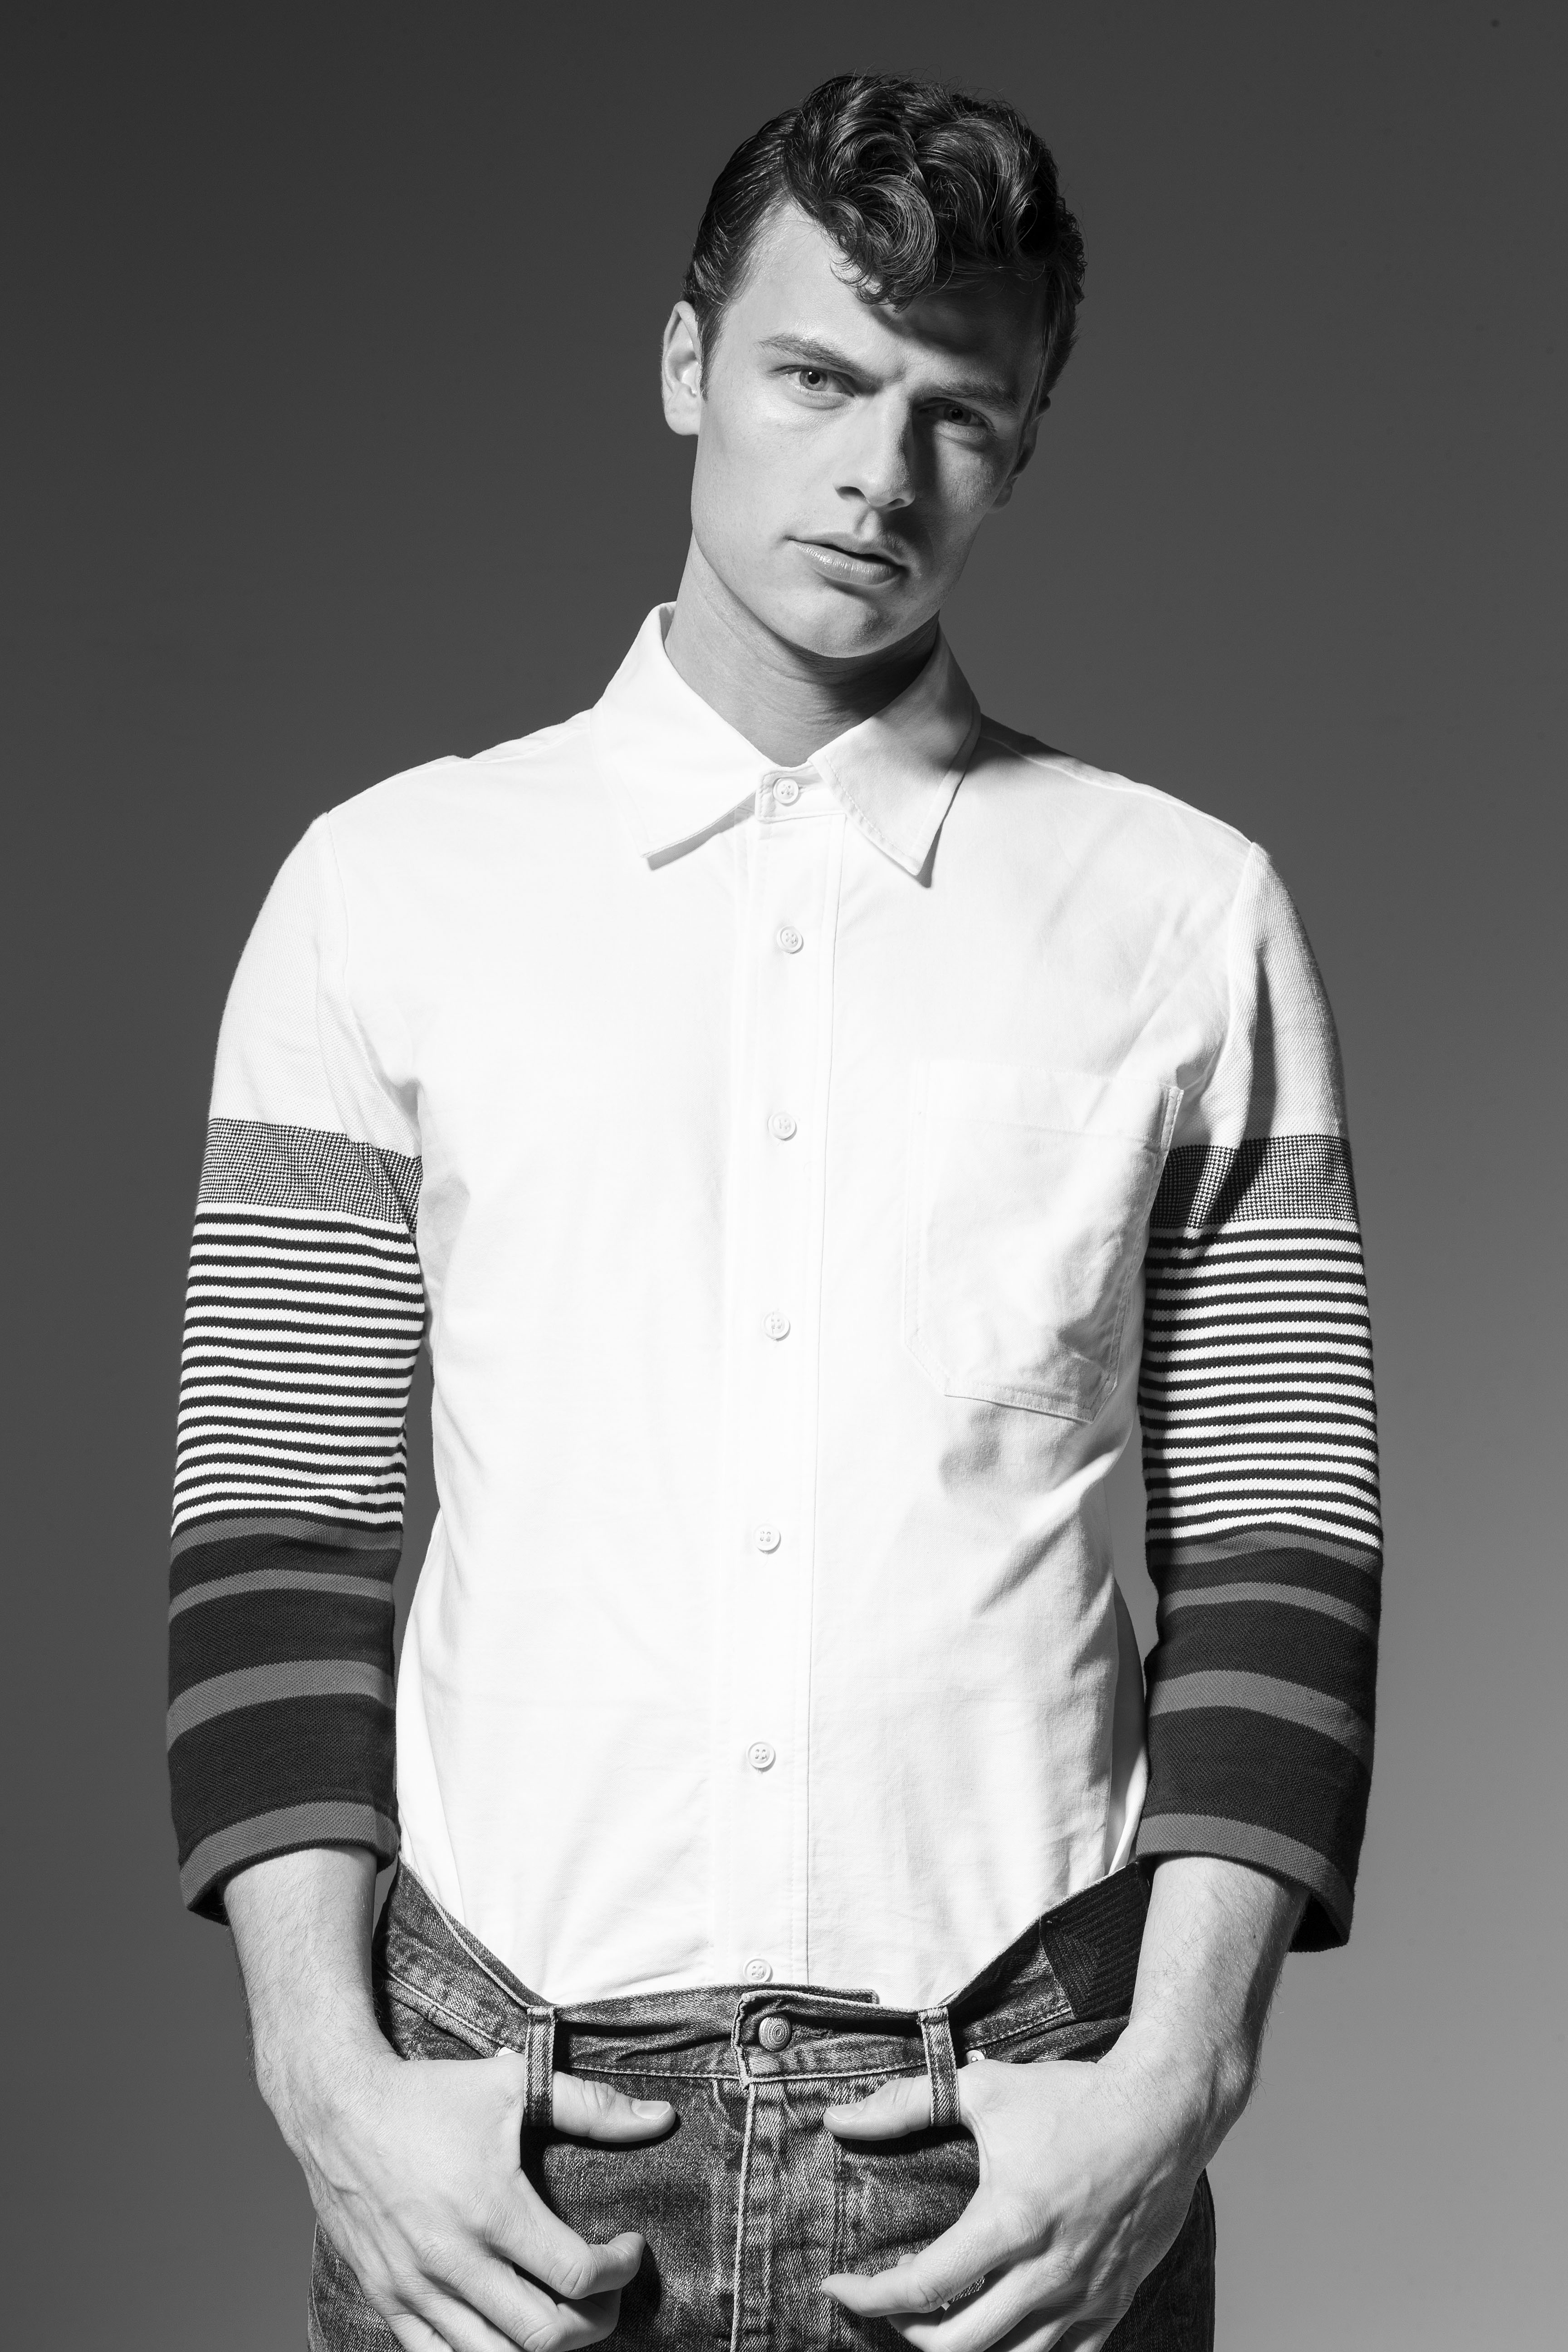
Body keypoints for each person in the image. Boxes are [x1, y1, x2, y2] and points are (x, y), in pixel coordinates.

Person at [167, 73, 1380, 2352]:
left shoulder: (1182, 912)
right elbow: (277, 1510)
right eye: (819, 377)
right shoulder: (387, 889)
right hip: (503, 2143)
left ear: (1022, 446)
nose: (880, 475)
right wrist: (328, 2084)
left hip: (1007, 2138)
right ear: (685, 363)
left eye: (959, 414)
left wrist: (1179, 2082)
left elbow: (1282, 1536)